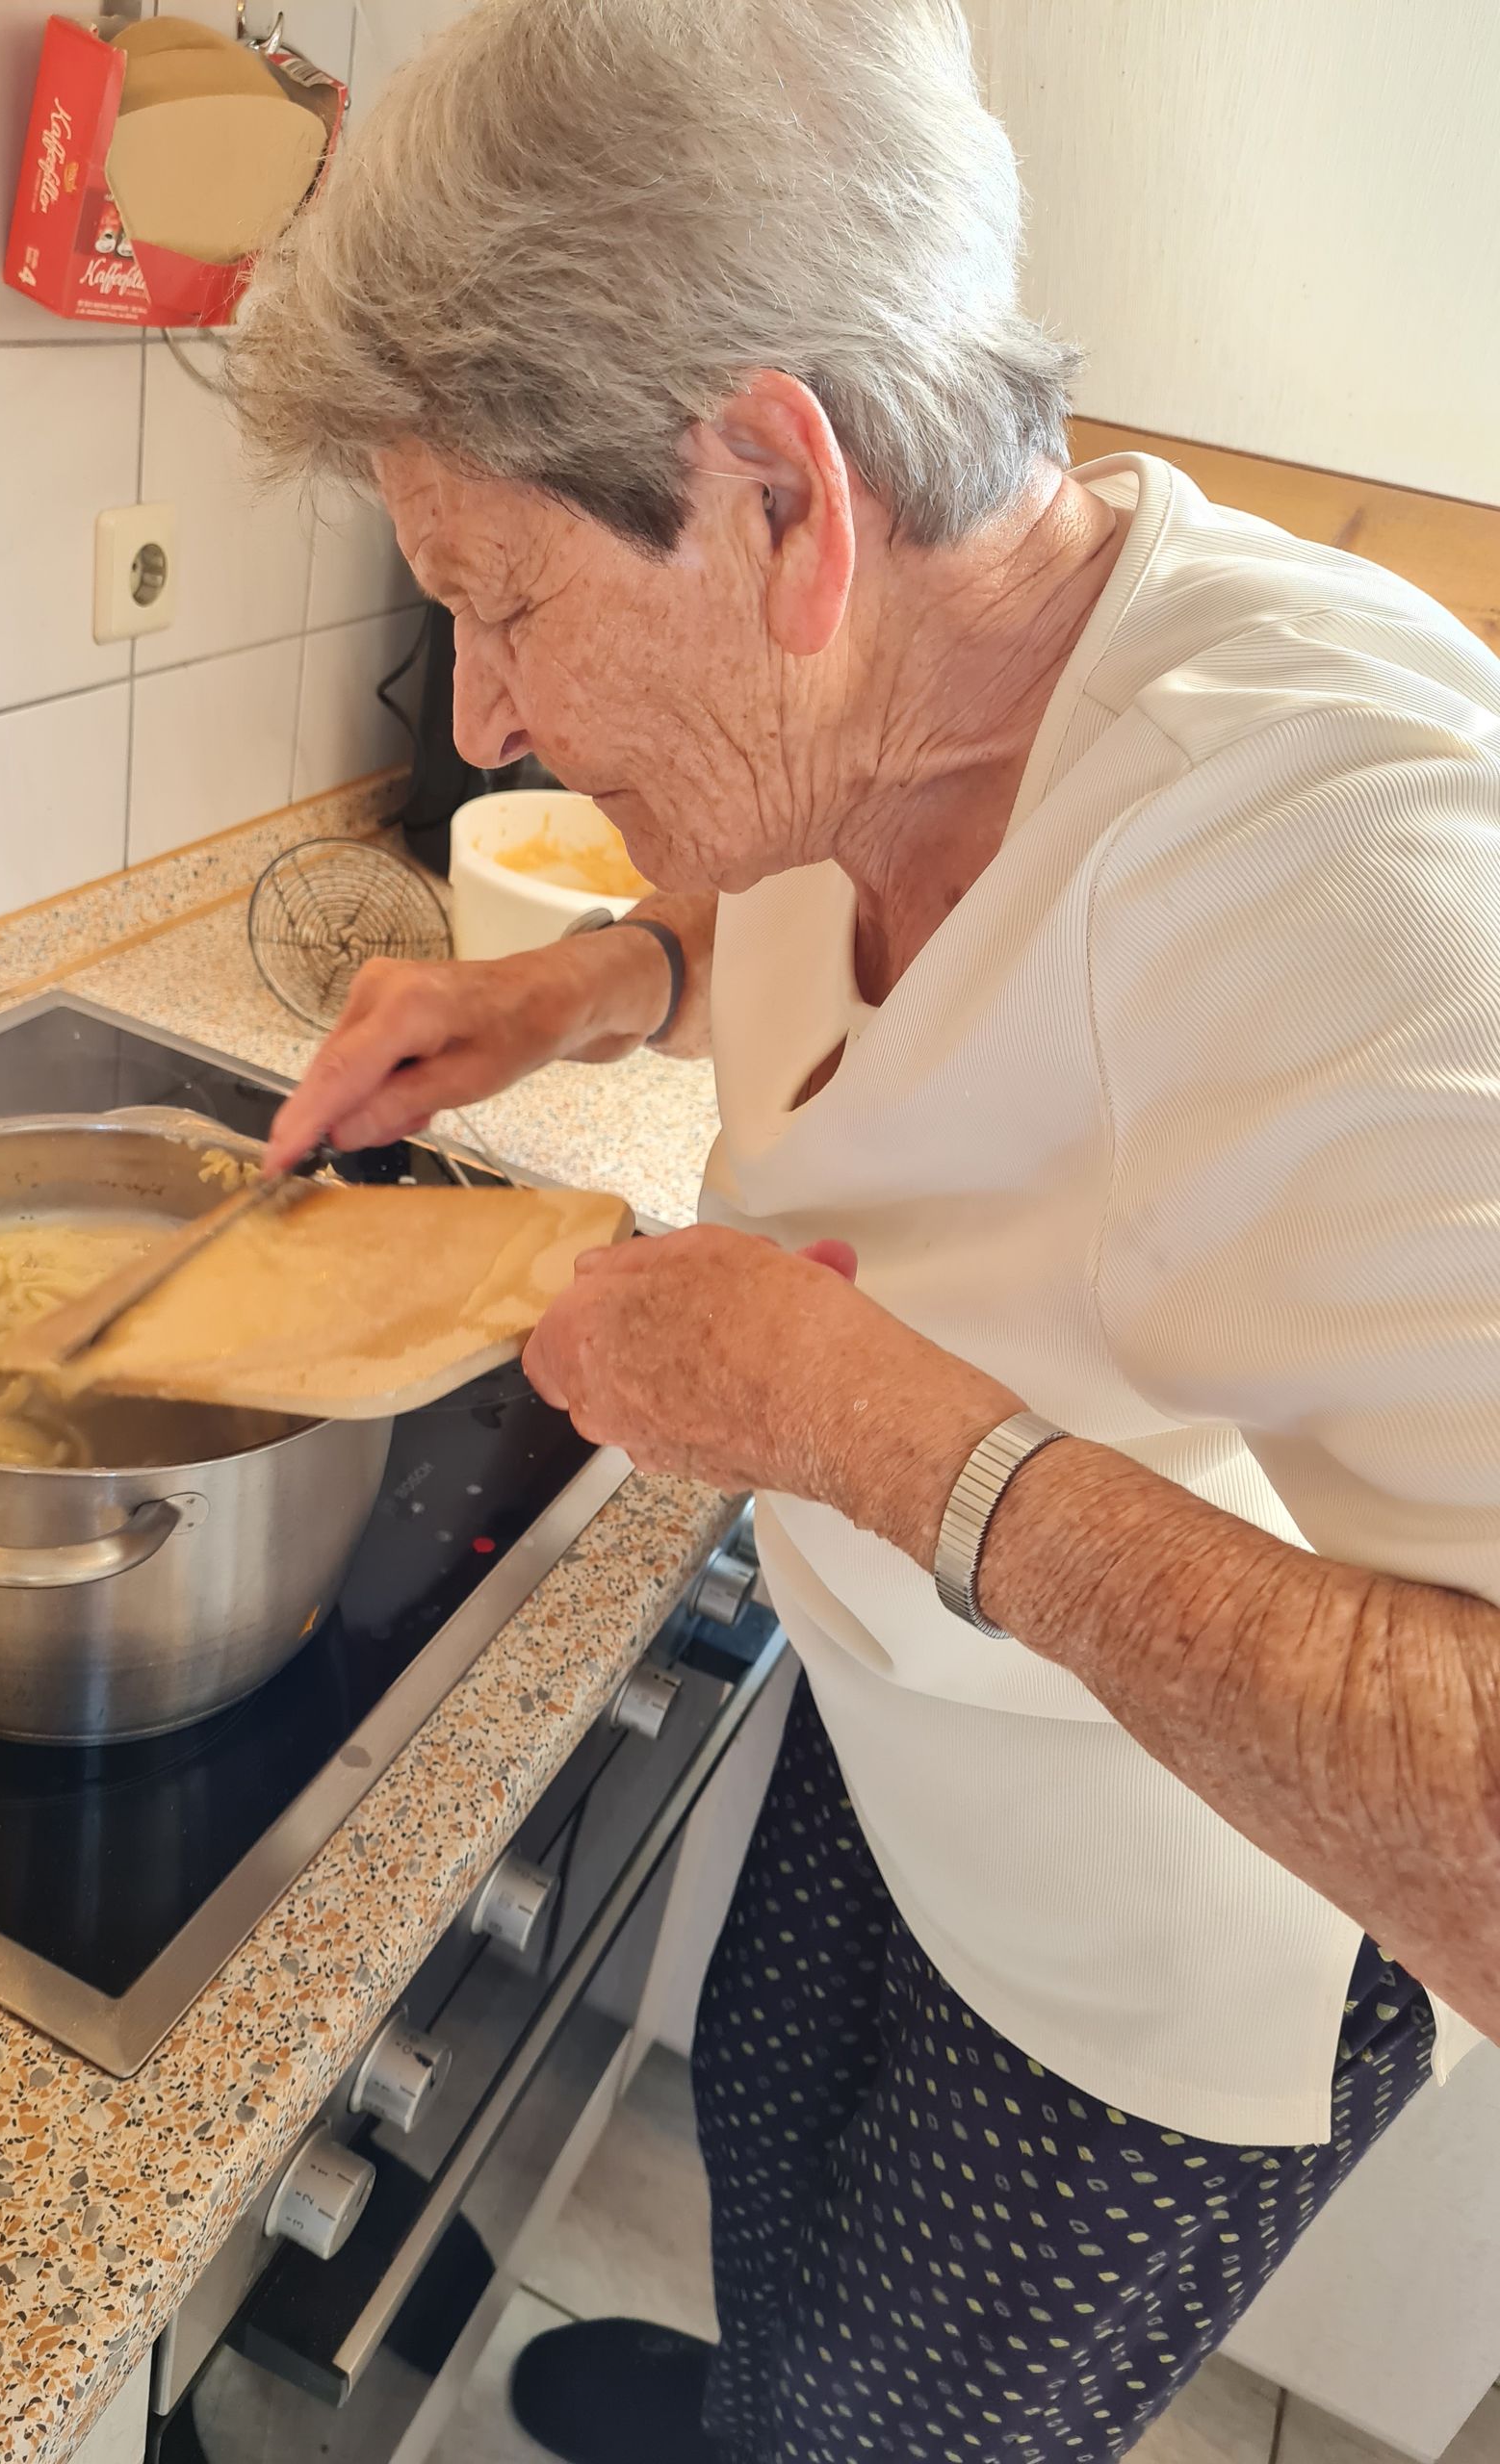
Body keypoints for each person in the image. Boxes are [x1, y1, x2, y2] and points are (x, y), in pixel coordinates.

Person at [231, 1, 1500, 2456]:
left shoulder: (1342, 871)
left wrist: (865, 1428)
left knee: (891, 2428)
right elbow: (901, 914)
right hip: (920, 1725)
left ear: (781, 495)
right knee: (767, 2181)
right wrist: (602, 977)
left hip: (1160, 1944)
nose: (478, 716)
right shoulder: (948, 655)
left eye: (503, 598)